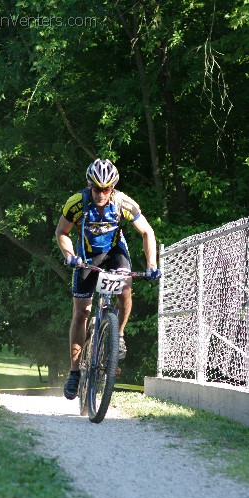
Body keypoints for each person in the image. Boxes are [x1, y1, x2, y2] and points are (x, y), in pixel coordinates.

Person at [55, 158, 161, 400]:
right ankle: (74, 372)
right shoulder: (77, 203)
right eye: (96, 188)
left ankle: (119, 333)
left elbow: (147, 232)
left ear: (112, 188)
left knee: (125, 290)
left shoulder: (123, 203)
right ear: (89, 186)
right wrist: (69, 255)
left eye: (106, 189)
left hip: (114, 253)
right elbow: (61, 232)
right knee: (81, 313)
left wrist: (152, 265)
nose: (101, 194)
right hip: (87, 256)